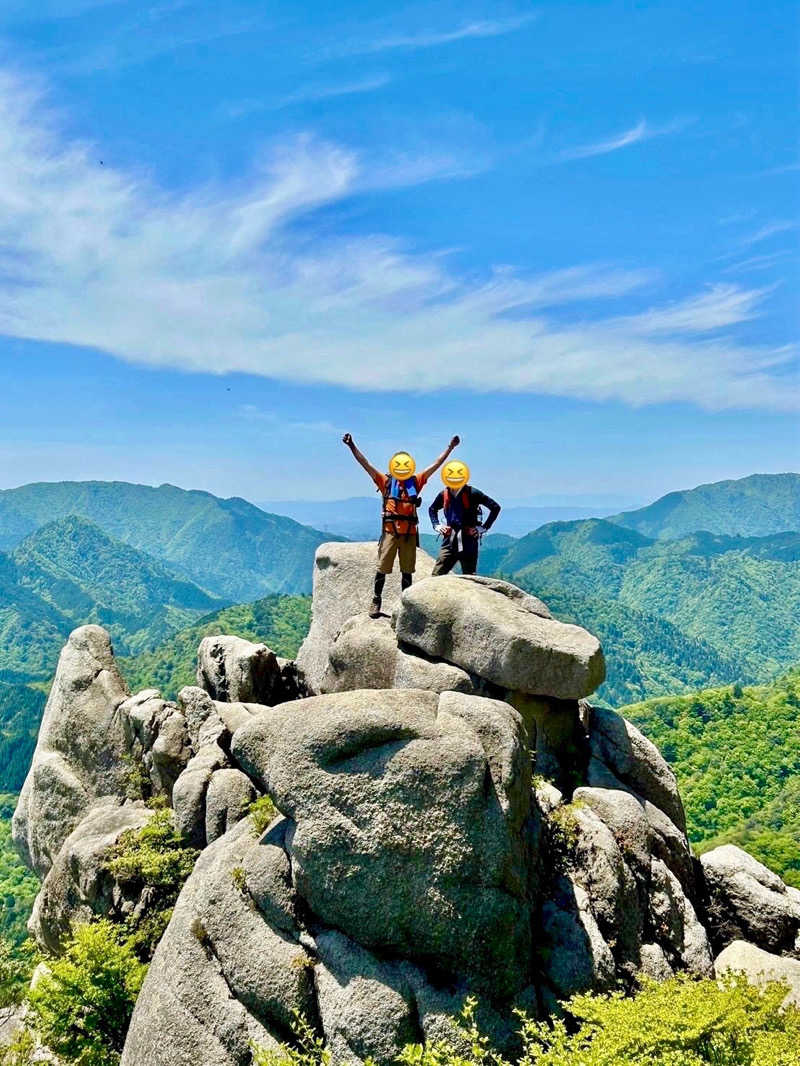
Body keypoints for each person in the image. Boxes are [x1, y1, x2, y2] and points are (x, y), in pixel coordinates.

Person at [342, 432, 460, 617]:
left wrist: (450, 447)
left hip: (409, 534)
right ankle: (376, 600)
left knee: (407, 571)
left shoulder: (416, 482)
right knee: (382, 568)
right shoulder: (386, 482)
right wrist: (352, 446)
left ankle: (406, 605)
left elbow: (436, 465)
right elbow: (366, 464)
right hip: (391, 532)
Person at [428, 458, 501, 576]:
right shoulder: (444, 494)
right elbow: (432, 509)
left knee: (469, 577)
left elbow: (495, 507)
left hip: (468, 541)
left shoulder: (473, 493)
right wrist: (436, 525)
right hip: (451, 540)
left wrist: (482, 528)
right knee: (437, 576)